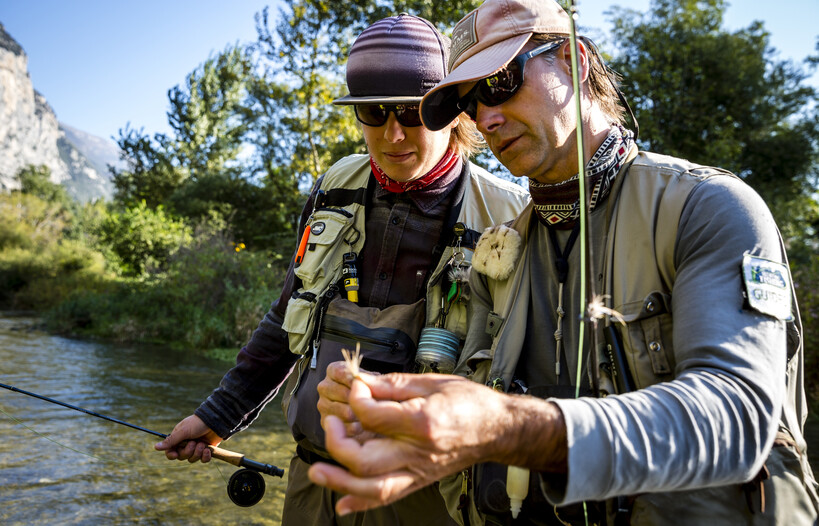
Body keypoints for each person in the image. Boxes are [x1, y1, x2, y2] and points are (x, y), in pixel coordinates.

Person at [307, 0, 819, 524]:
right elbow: (472, 402)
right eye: (470, 103)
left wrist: (511, 428)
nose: (487, 117)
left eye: (501, 81)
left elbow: (738, 420)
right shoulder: (496, 252)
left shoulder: (707, 207)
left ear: (574, 60)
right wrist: (387, 406)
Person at [154, 12, 529, 526]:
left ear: (449, 110)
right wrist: (217, 417)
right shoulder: (335, 185)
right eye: (374, 113)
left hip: (431, 496)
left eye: (411, 113)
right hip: (314, 483)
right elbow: (290, 313)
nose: (393, 134)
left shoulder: (509, 215)